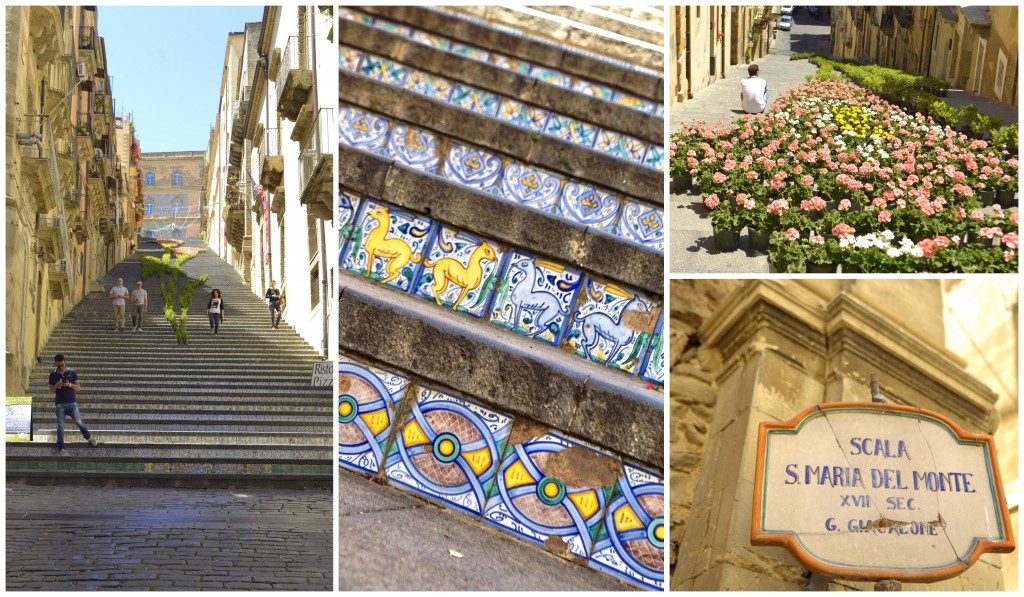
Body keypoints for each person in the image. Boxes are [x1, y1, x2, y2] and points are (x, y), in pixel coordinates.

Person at [48, 354, 99, 455]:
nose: (61, 367)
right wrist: (56, 386)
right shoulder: (53, 375)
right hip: (60, 404)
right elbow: (50, 391)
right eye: (59, 366)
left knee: (79, 421)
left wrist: (69, 384)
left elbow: (78, 388)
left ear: (65, 362)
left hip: (72, 403)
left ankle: (89, 437)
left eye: (62, 365)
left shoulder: (72, 372)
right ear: (55, 364)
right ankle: (61, 448)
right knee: (60, 426)